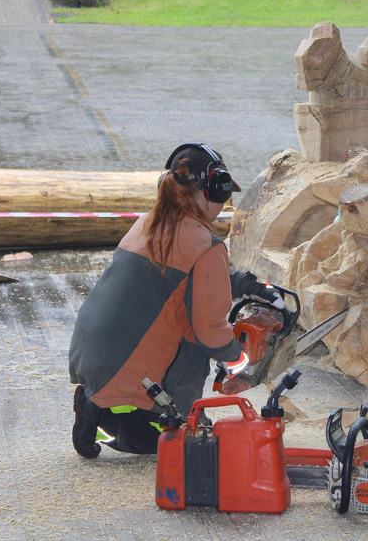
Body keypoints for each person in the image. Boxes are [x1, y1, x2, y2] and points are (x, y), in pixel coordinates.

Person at [69, 142, 281, 459]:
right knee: (194, 343)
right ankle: (178, 423)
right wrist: (240, 359)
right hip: (130, 388)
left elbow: (192, 273)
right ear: (214, 191)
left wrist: (252, 286)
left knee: (185, 323)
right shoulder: (205, 244)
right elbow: (210, 330)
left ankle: (98, 408)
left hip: (92, 364)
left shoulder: (148, 222)